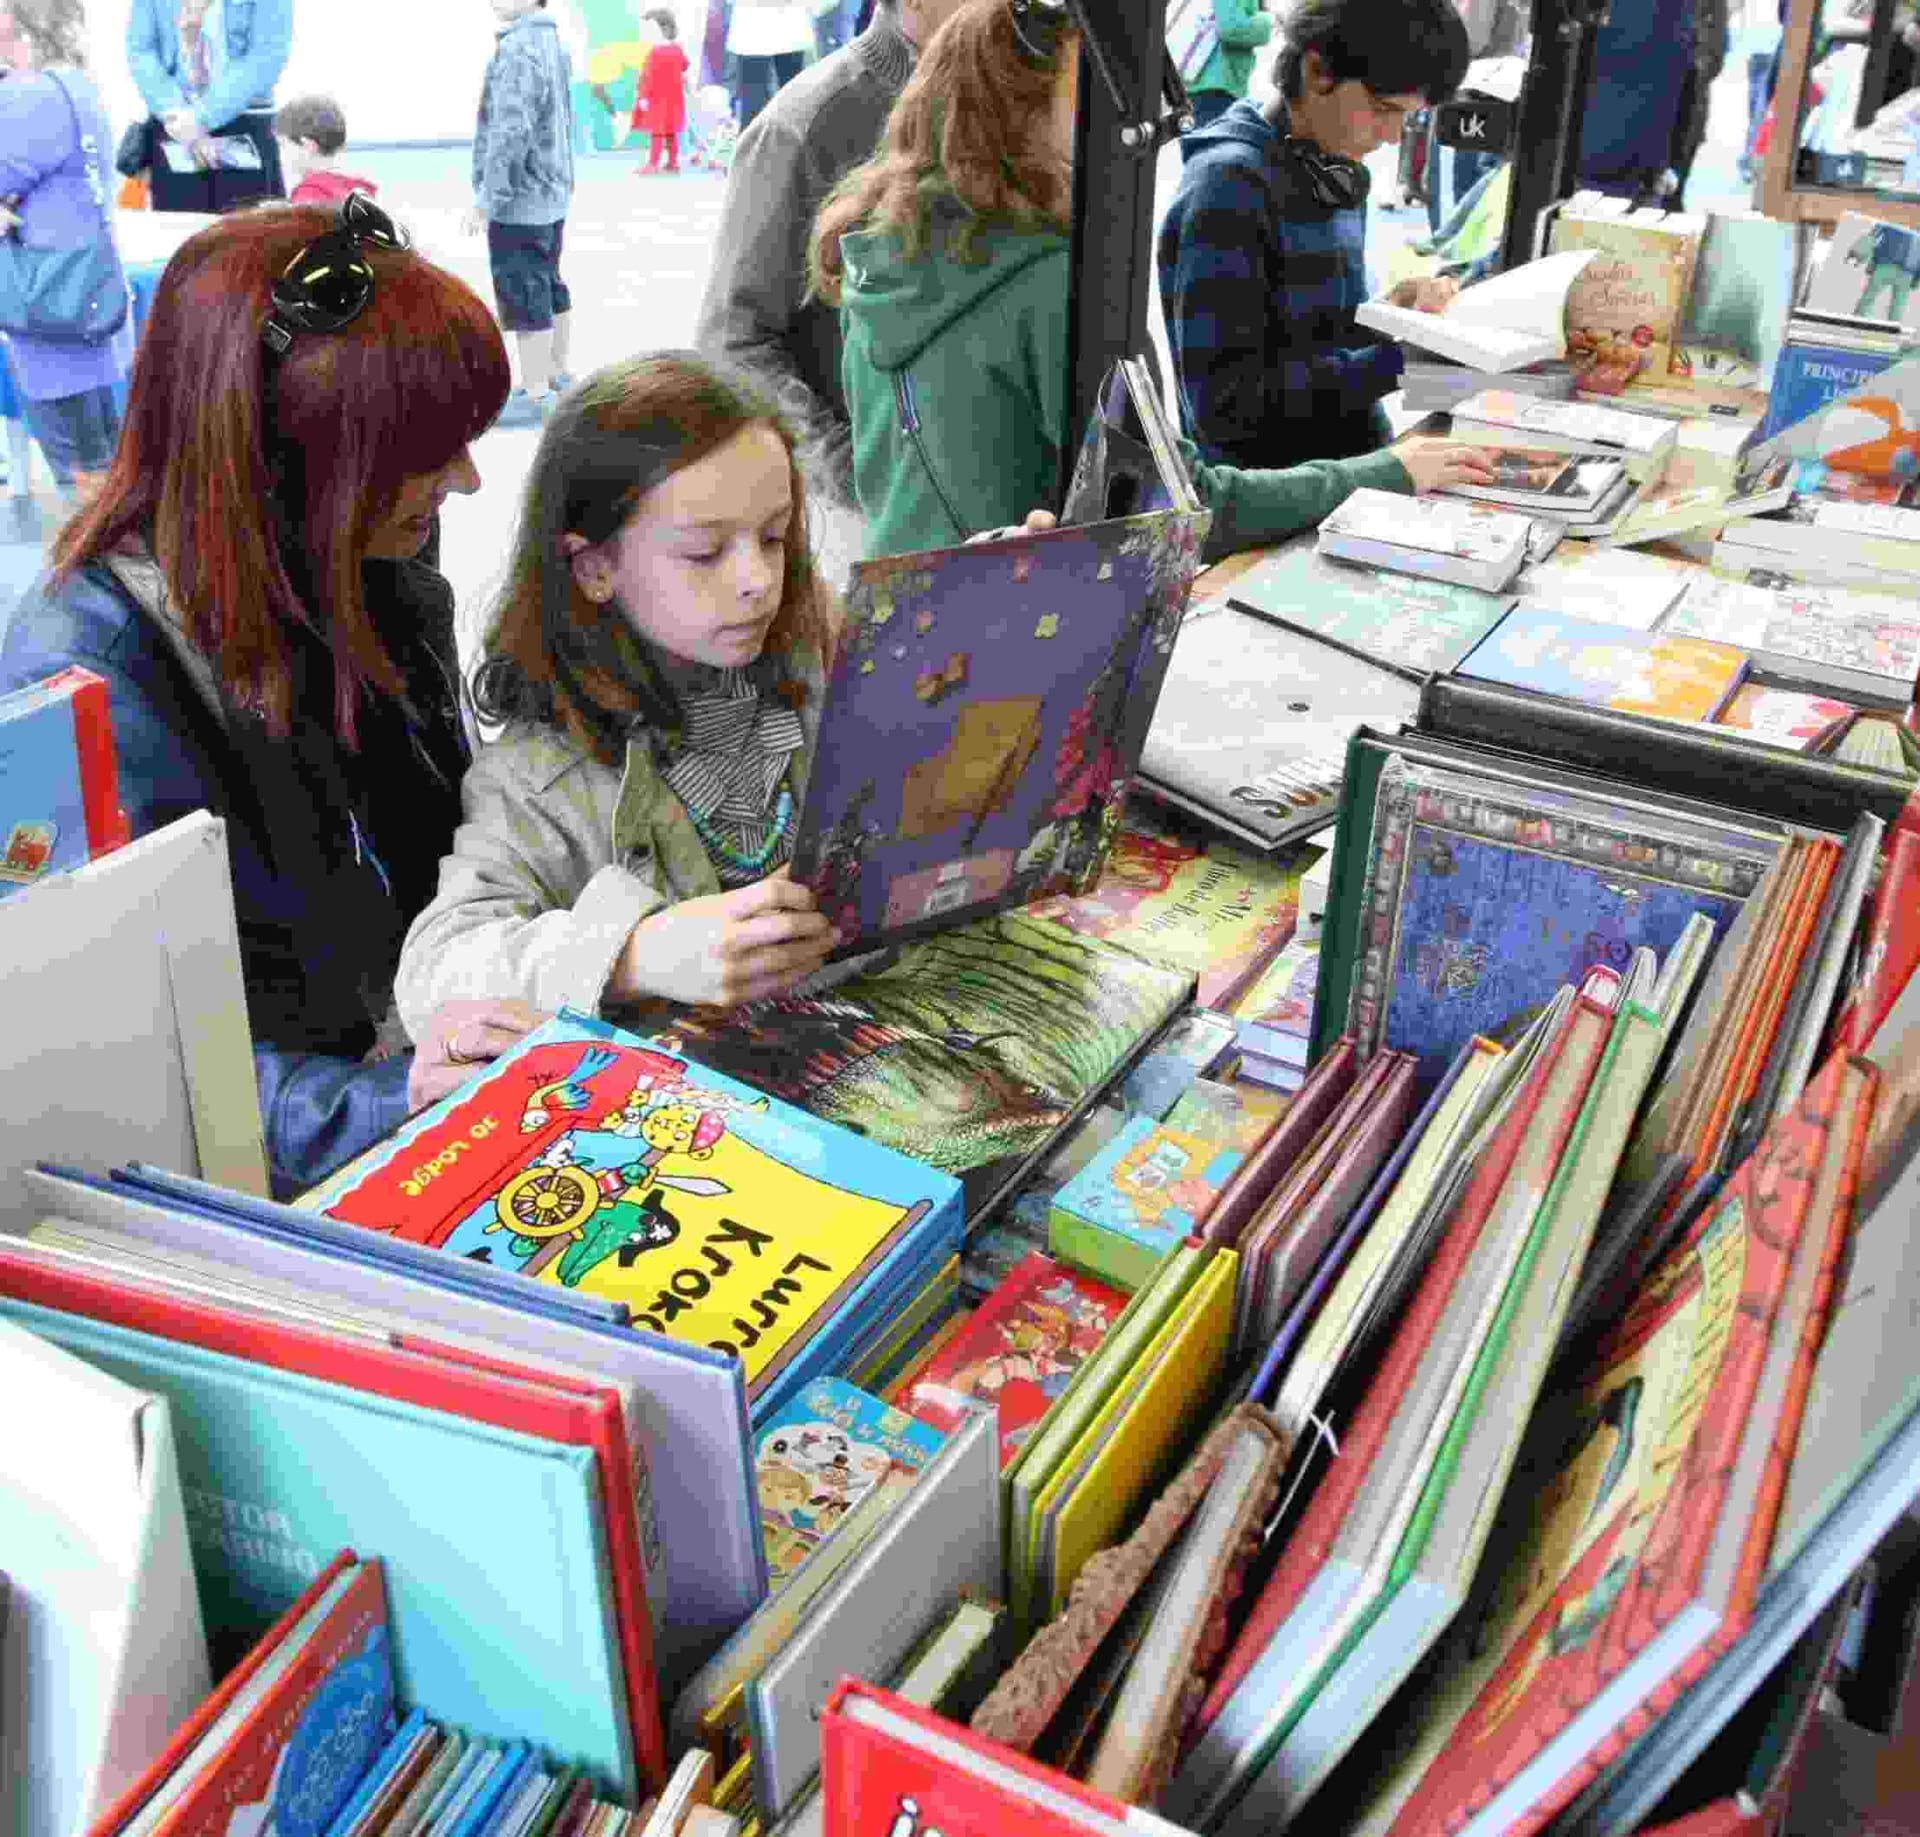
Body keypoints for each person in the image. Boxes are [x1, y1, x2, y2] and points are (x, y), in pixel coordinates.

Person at [0, 200, 543, 1197]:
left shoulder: (363, 557)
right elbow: (121, 1069)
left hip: (424, 1047)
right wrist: (390, 1100)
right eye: (425, 452)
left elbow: (441, 838)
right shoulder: (81, 684)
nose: (467, 481)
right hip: (282, 1166)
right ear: (286, 457)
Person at [809, 0, 1492, 560]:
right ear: (1022, 115)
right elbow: (1177, 504)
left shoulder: (880, 250)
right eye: (1091, 104)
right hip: (1025, 631)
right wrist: (1388, 469)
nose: (1114, 131)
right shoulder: (1058, 282)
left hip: (911, 627)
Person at [392, 352, 840, 1039]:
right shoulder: (542, 775)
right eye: (705, 552)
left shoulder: (822, 659)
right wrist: (634, 954)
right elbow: (434, 973)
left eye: (773, 536)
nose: (757, 578)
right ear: (596, 567)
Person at [1156, 0, 1470, 473]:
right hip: (1283, 492)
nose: (1392, 136)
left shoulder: (1333, 167)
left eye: (1406, 117)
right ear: (1317, 70)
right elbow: (1228, 408)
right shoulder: (1228, 189)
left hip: (1357, 464)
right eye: (1383, 109)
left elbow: (1313, 338)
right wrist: (1399, 362)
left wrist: (1389, 316)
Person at [694, 0, 965, 478]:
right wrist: (846, 470)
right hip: (869, 500)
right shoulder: (803, 125)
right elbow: (733, 340)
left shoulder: (1021, 102)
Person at [0, 4, 133, 500]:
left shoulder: (28, 97)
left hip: (50, 320)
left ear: (21, 31)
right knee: (106, 472)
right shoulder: (74, 85)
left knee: (86, 485)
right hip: (87, 303)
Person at [466, 0, 578, 429]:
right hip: (551, 190)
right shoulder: (552, 40)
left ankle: (535, 394)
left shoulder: (519, 49)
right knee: (549, 282)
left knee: (525, 291)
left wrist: (489, 198)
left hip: (522, 198)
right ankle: (555, 373)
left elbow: (511, 131)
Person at [125, 0, 292, 212]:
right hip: (175, 123)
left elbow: (267, 54)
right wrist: (175, 110)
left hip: (244, 116)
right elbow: (141, 51)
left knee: (251, 227)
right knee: (177, 228)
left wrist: (201, 117)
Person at [1179, 0, 1275, 155]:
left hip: (1207, 82)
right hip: (1214, 86)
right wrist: (1268, 21)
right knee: (1212, 156)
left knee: (1205, 155)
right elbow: (1231, 27)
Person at [727, 0, 819, 131]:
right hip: (753, 25)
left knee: (791, 101)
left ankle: (786, 140)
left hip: (789, 24)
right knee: (755, 104)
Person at [276, 93, 382, 206]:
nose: (280, 154)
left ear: (308, 145)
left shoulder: (310, 194)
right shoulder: (362, 190)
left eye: (283, 145)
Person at [634, 8, 691, 172]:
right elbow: (685, 65)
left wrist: (643, 97)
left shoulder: (654, 53)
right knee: (671, 131)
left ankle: (653, 164)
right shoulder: (677, 49)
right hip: (675, 99)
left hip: (657, 99)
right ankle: (673, 162)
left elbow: (647, 77)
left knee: (657, 132)